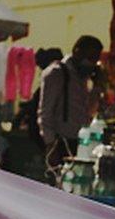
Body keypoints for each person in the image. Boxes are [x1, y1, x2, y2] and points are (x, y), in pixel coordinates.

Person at [38, 36, 103, 165]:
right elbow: (45, 113)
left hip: (80, 142)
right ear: (77, 51)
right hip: (60, 142)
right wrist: (51, 144)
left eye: (95, 60)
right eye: (90, 58)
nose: (92, 64)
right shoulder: (56, 73)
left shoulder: (83, 78)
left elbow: (89, 112)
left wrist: (97, 88)